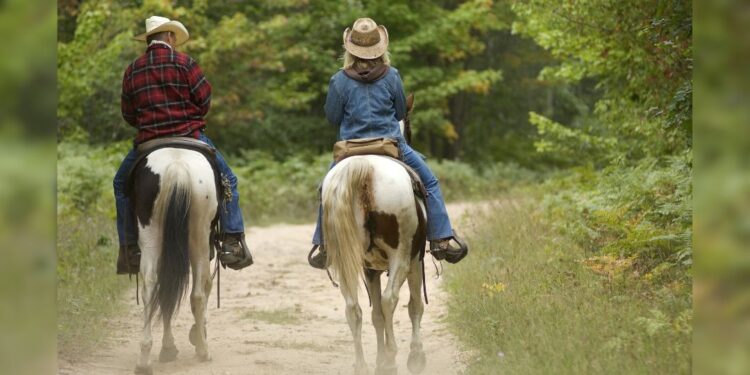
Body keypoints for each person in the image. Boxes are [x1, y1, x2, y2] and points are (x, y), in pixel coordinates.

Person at [308, 18, 468, 269]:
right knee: (430, 182)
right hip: (389, 144)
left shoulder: (338, 80)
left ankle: (323, 243)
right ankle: (441, 238)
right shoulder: (392, 75)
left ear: (350, 49)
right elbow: (399, 113)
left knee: (325, 190)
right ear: (380, 47)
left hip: (350, 148)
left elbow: (332, 117)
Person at [114, 16, 253, 274]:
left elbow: (128, 113)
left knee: (121, 185)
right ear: (170, 37)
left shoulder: (133, 69)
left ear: (149, 40)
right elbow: (204, 100)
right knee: (229, 180)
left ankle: (129, 248)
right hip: (190, 136)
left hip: (149, 142)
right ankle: (232, 240)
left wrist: (149, 123)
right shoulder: (186, 63)